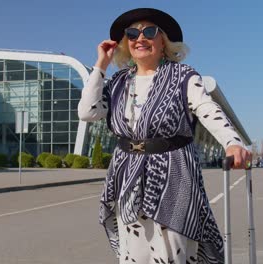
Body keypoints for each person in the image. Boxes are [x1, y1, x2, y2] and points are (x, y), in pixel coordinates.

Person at [78, 8, 252, 264]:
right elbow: (87, 111)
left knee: (175, 251)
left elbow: (206, 108)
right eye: (132, 33)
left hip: (175, 174)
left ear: (163, 41)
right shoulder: (117, 82)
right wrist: (101, 64)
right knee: (135, 254)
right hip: (128, 176)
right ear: (126, 42)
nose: (140, 38)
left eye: (150, 31)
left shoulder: (183, 75)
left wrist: (232, 142)